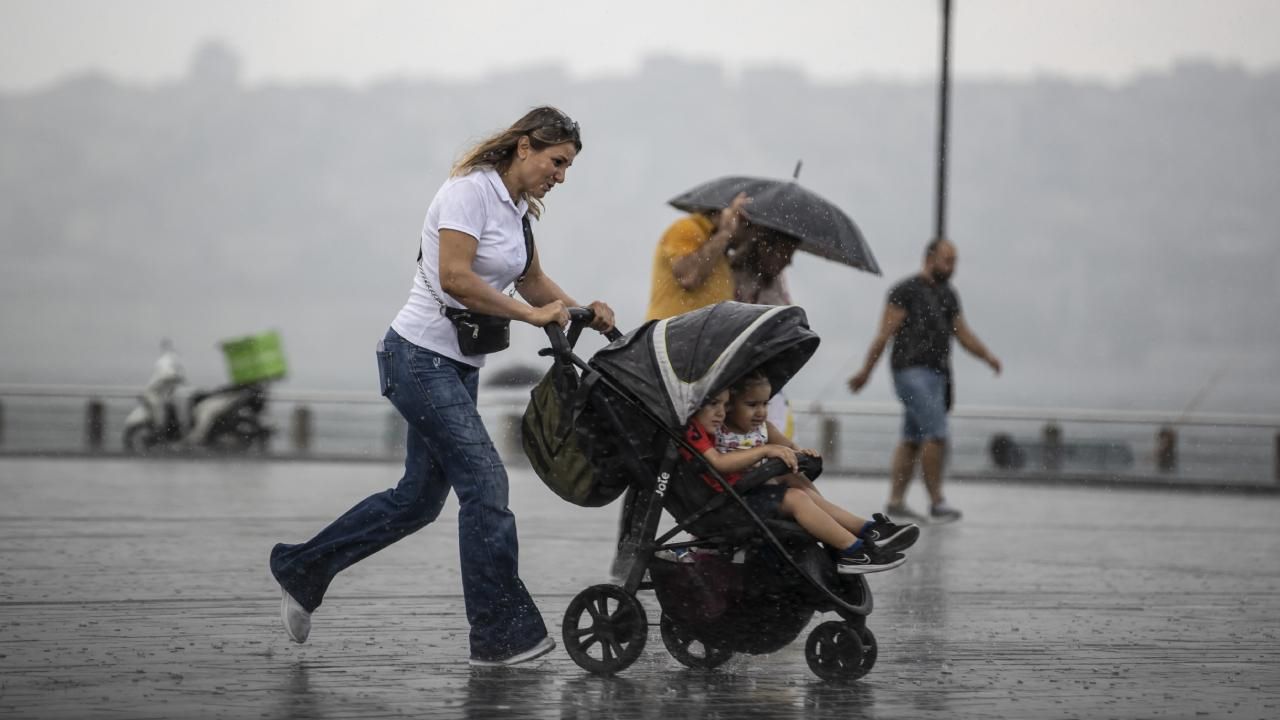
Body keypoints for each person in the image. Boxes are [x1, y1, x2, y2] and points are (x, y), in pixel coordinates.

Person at [269, 107, 615, 667]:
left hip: (455, 366)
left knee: (417, 502)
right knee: (485, 480)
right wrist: (529, 319)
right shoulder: (468, 193)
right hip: (416, 358)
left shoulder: (517, 211)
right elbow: (456, 278)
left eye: (568, 166)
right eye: (558, 162)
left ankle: (301, 568)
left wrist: (580, 310)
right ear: (525, 147)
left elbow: (530, 282)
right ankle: (499, 634)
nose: (562, 176)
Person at [847, 238, 1001, 522]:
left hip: (938, 373)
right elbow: (884, 334)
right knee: (937, 433)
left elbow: (963, 333)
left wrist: (987, 356)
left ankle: (895, 501)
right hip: (909, 370)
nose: (952, 267)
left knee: (912, 438)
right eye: (947, 260)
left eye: (955, 261)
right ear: (929, 258)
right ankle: (937, 501)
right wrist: (865, 372)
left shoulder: (948, 294)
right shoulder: (905, 291)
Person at [685, 384, 910, 575]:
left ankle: (864, 530)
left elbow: (780, 445)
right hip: (726, 502)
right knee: (797, 499)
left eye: (724, 405)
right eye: (714, 404)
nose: (721, 412)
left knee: (798, 483)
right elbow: (720, 463)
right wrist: (765, 451)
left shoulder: (712, 427)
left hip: (737, 492)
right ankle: (852, 552)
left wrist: (799, 453)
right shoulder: (693, 430)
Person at [644, 192, 752, 321]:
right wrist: (725, 232)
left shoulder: (718, 247)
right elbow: (689, 275)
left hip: (701, 336)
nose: (749, 231)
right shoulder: (686, 227)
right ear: (726, 212)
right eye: (745, 222)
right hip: (675, 334)